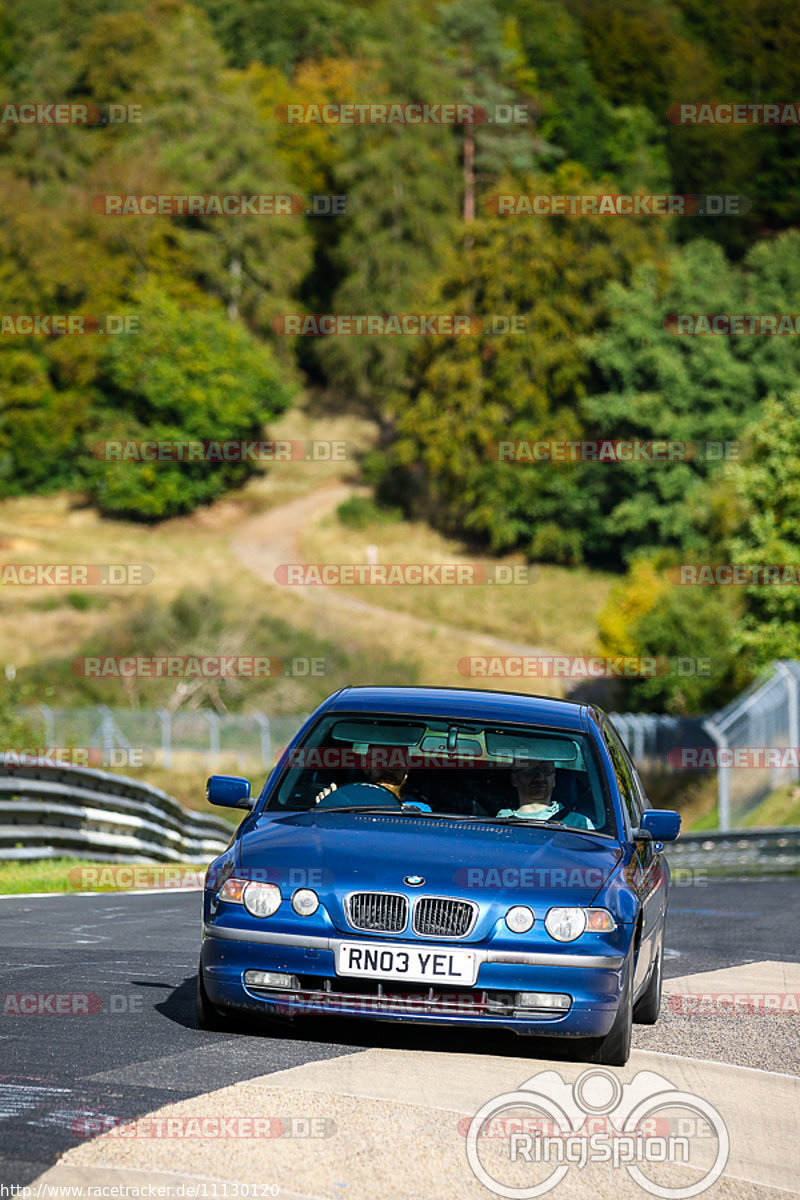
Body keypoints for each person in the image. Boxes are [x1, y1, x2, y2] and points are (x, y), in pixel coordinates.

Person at [495, 759, 593, 828]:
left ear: (554, 779)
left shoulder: (578, 823)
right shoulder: (499, 824)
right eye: (530, 771)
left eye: (546, 771)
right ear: (514, 779)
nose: (539, 778)